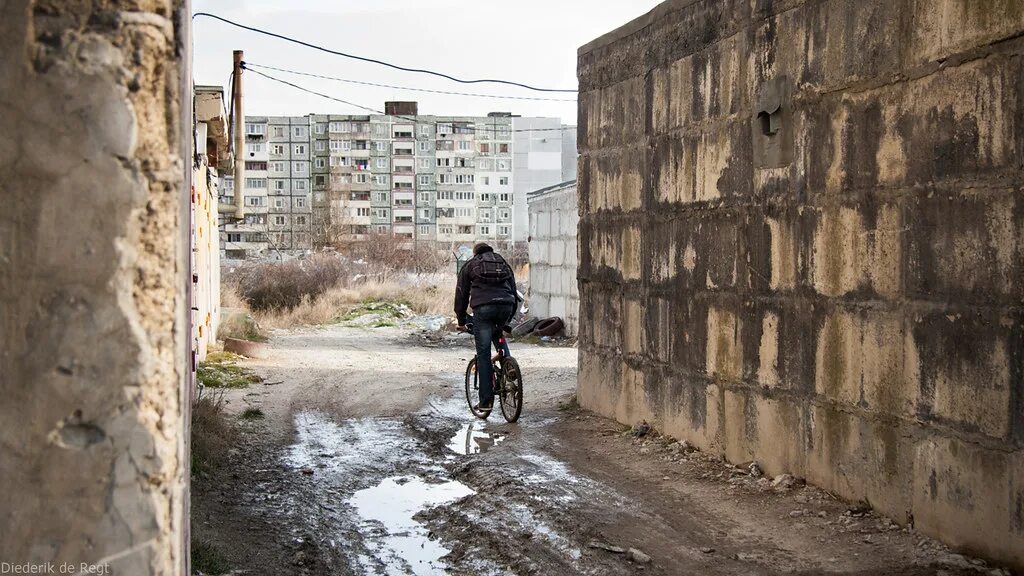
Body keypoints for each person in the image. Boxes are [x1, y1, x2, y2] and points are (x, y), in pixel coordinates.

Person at [454, 243, 519, 413]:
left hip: (483, 308)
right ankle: (508, 365)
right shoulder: (502, 262)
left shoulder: (470, 265)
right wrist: (509, 316)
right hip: (506, 305)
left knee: (483, 354)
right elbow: (513, 289)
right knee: (498, 331)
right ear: (491, 251)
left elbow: (461, 294)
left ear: (475, 253)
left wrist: (461, 320)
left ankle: (485, 401)